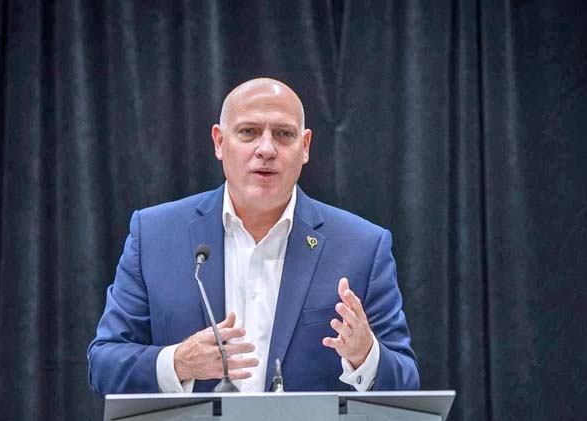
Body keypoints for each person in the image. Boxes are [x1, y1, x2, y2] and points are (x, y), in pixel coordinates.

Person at [87, 78, 419, 394]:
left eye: (284, 134)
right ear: (219, 142)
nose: (266, 149)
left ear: (305, 147)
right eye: (249, 132)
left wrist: (365, 355)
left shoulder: (361, 246)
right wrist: (178, 363)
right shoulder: (155, 234)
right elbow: (104, 365)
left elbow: (405, 382)